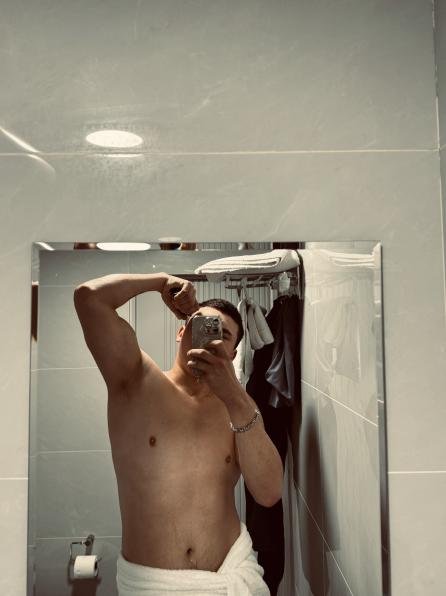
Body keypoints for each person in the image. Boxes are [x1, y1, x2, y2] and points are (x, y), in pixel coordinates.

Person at [74, 272, 284, 595]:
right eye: (204, 325)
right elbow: (89, 297)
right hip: (154, 586)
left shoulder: (240, 407)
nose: (211, 338)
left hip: (230, 574)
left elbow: (269, 492)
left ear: (233, 354)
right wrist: (160, 282)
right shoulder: (135, 381)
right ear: (182, 330)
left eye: (224, 335)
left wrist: (234, 396)